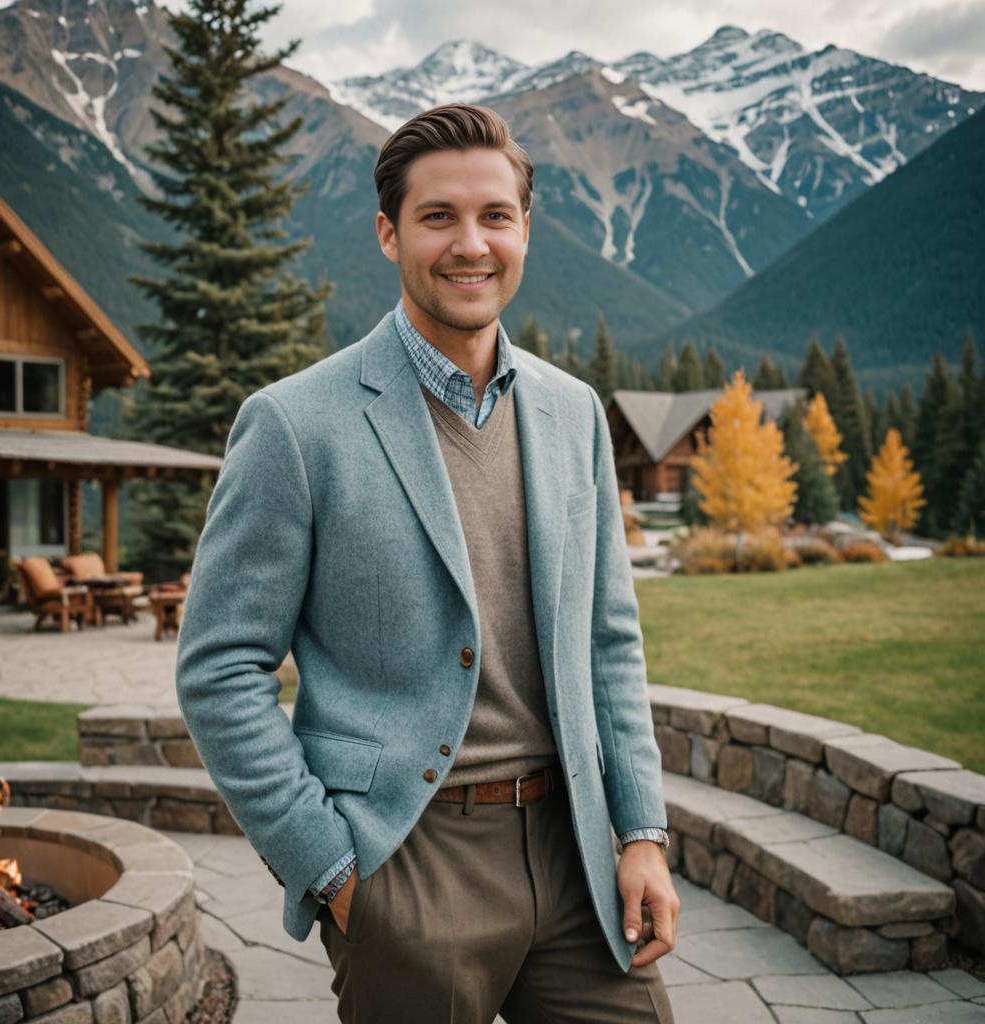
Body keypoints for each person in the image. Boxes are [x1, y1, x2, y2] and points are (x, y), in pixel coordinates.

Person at [175, 102, 678, 1023]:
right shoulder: (295, 424)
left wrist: (640, 832)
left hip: (577, 858)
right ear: (388, 233)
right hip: (408, 858)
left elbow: (610, 640)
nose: (470, 244)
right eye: (437, 216)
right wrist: (332, 870)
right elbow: (218, 668)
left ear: (525, 230)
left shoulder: (574, 413)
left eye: (495, 216)